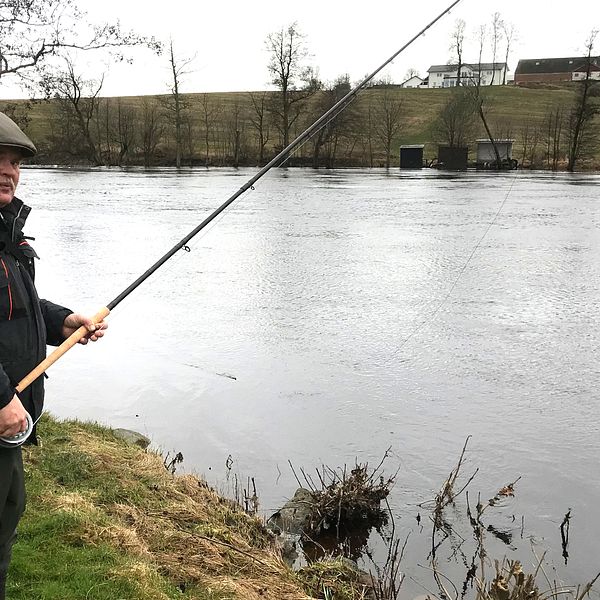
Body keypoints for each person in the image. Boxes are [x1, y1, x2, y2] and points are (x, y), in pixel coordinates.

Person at [0, 111, 107, 599]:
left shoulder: (10, 236)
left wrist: (65, 321)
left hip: (10, 419)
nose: (7, 171)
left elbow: (21, 308)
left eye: (14, 161)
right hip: (4, 410)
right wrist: (2, 398)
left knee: (7, 518)